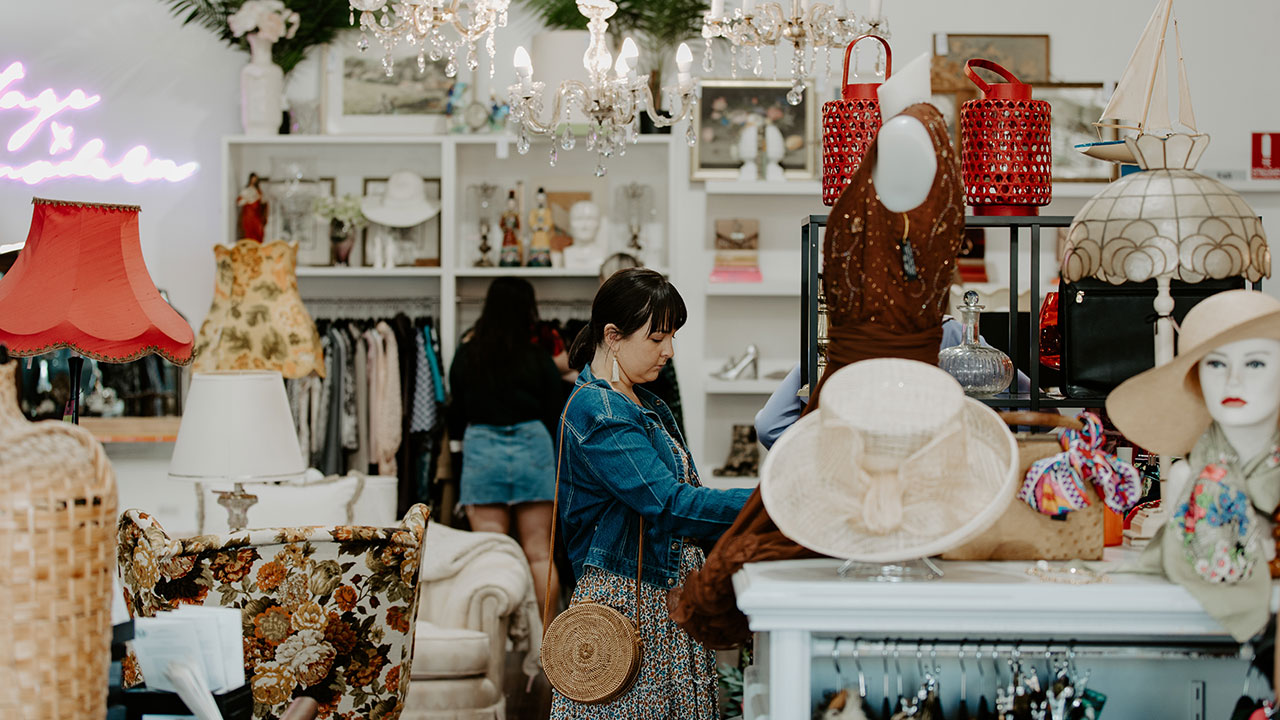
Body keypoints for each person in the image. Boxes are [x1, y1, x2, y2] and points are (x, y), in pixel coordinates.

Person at [550, 268, 752, 719]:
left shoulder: (644, 403)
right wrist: (768, 502)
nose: (669, 351)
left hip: (660, 599)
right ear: (613, 336)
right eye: (658, 338)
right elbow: (668, 503)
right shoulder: (599, 411)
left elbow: (680, 496)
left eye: (672, 337)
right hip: (629, 604)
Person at [447, 277, 563, 614]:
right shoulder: (538, 358)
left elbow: (457, 409)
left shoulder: (469, 356)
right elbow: (556, 409)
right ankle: (545, 648)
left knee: (489, 553)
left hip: (483, 447)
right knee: (540, 553)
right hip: (533, 447)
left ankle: (495, 641)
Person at [237, 172, 267, 242]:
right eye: (253, 179)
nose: (254, 181)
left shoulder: (258, 191)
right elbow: (239, 202)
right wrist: (248, 200)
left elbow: (263, 202)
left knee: (258, 232)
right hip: (249, 215)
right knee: (249, 233)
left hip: (256, 215)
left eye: (255, 179)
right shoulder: (246, 190)